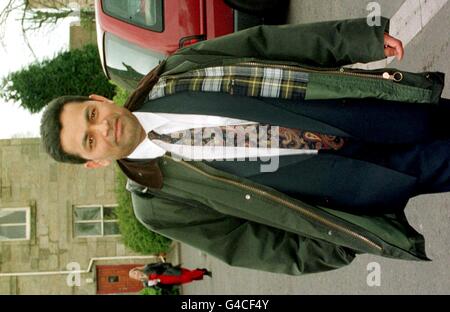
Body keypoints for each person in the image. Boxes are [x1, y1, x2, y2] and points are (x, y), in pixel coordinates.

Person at [40, 17, 449, 275]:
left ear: (99, 100)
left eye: (91, 116)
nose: (105, 129)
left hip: (361, 111)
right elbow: (250, 245)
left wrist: (359, 40)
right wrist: (338, 243)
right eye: (89, 142)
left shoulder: (173, 74)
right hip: (355, 185)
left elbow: (265, 44)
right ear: (93, 163)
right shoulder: (156, 203)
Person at [129, 262, 212, 287]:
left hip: (170, 273)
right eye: (134, 275)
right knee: (189, 278)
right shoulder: (145, 283)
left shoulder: (147, 268)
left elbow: (159, 265)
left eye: (135, 272)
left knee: (188, 275)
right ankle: (201, 271)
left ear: (137, 270)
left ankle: (204, 272)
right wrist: (156, 283)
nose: (136, 275)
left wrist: (169, 267)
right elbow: (159, 286)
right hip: (168, 281)